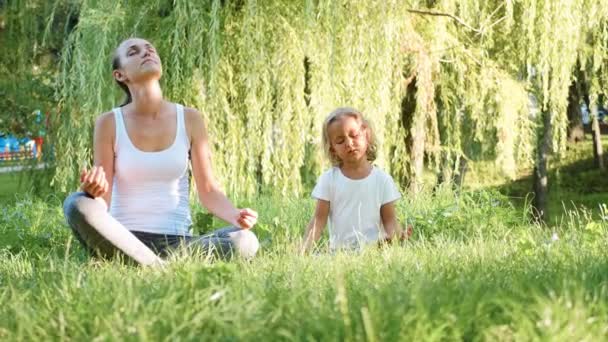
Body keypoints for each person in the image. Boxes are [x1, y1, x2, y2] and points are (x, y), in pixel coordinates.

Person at [63, 38, 259, 266]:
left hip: (180, 244)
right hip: (123, 238)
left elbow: (208, 191)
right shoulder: (108, 122)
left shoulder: (190, 118)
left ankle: (149, 266)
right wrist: (93, 191)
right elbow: (102, 202)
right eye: (134, 52)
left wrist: (235, 215)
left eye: (149, 49)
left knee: (245, 241)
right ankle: (157, 266)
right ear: (120, 75)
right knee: (76, 204)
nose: (146, 53)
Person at [301, 107, 411, 252]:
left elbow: (390, 220)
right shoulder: (329, 180)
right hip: (339, 253)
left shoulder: (382, 180)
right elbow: (318, 220)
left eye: (354, 135)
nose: (349, 143)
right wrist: (303, 250)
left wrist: (397, 236)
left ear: (367, 134)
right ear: (332, 149)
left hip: (374, 251)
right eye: (340, 141)